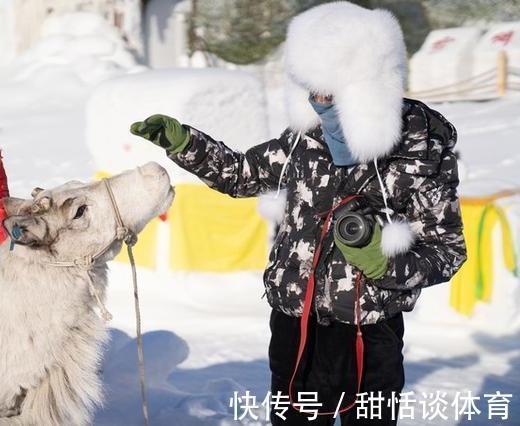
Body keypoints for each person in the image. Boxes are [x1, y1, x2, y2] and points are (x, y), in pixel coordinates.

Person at [130, 2, 466, 425]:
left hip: (368, 333)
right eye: (313, 90)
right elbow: (240, 174)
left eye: (331, 91)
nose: (320, 102)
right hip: (295, 324)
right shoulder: (303, 140)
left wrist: (385, 263)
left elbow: (448, 251)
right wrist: (184, 143)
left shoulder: (419, 151)